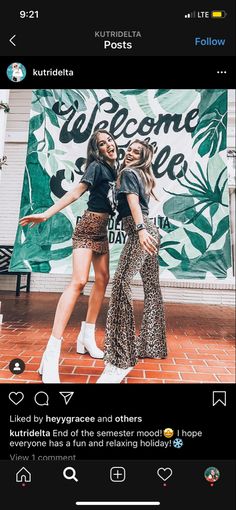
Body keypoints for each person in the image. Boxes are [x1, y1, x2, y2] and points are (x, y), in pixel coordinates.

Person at [19, 130, 119, 383]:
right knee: (78, 282)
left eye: (110, 140)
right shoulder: (96, 167)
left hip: (101, 232)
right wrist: (46, 214)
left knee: (103, 279)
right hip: (87, 228)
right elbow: (75, 193)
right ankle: (51, 350)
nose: (109, 145)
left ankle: (86, 335)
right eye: (102, 143)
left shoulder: (114, 170)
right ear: (96, 150)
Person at [96, 139, 167, 384]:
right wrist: (145, 230)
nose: (130, 153)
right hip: (150, 231)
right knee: (151, 288)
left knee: (120, 284)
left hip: (143, 232)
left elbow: (134, 204)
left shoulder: (128, 173)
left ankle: (120, 358)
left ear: (144, 156)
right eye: (130, 150)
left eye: (137, 152)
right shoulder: (140, 175)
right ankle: (152, 344)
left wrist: (139, 230)